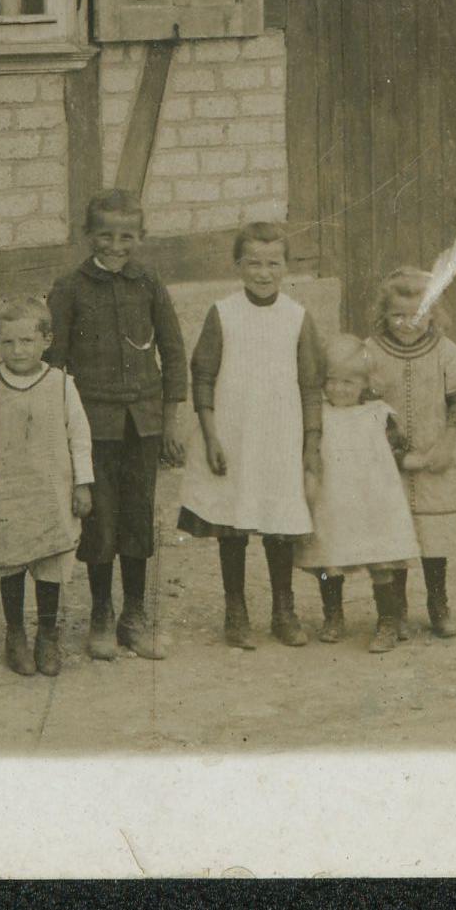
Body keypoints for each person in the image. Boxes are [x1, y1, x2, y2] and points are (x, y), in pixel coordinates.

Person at [46, 185, 189, 661]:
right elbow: (54, 363)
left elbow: (173, 352)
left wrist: (170, 420)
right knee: (100, 521)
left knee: (137, 518)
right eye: (105, 235)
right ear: (87, 235)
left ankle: (134, 615)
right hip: (93, 425)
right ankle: (101, 614)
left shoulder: (149, 283)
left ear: (141, 237)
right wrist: (63, 429)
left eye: (127, 236)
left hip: (142, 424)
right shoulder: (69, 288)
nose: (115, 245)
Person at [177, 218, 323, 649]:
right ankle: (235, 609)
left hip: (280, 438)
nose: (263, 273)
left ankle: (283, 609)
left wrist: (311, 443)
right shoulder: (223, 313)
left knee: (279, 523)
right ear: (238, 265)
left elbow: (311, 386)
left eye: (273, 263)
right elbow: (203, 377)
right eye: (253, 263)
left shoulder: (296, 317)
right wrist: (210, 436)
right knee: (232, 523)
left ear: (286, 267)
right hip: (233, 436)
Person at [363, 262, 456, 642]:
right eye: (397, 316)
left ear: (433, 313)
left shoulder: (443, 350)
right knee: (395, 535)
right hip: (388, 461)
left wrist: (448, 442)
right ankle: (397, 609)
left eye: (418, 315)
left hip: (435, 456)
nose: (407, 324)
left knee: (434, 538)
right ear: (383, 314)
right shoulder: (371, 352)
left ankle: (438, 603)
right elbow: (362, 400)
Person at [0, 296, 94, 676]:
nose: (18, 350)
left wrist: (83, 484)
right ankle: (15, 634)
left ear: (46, 340)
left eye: (27, 341)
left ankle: (47, 634)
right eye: (7, 342)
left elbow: (79, 436)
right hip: (6, 489)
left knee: (49, 562)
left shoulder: (61, 384)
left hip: (50, 490)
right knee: (11, 561)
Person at [299, 333, 421, 650]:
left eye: (348, 382)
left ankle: (388, 621)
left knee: (380, 559)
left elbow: (397, 451)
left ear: (365, 382)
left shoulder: (378, 414)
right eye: (331, 381)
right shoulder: (319, 415)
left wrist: (414, 459)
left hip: (373, 501)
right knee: (329, 559)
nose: (338, 389)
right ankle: (333, 615)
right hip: (333, 500)